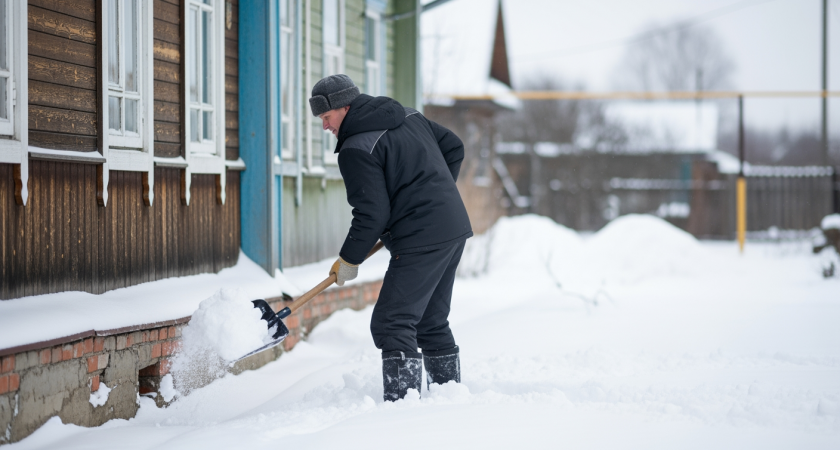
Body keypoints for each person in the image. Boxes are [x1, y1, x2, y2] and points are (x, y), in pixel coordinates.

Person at [309, 74, 472, 401]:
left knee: (392, 323)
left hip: (421, 237)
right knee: (429, 320)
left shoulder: (355, 148)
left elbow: (371, 214)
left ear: (344, 107)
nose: (324, 126)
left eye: (326, 117)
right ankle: (449, 399)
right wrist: (437, 196)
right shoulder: (408, 115)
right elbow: (453, 146)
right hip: (452, 228)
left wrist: (349, 260)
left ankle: (402, 413)